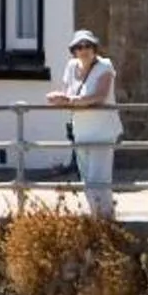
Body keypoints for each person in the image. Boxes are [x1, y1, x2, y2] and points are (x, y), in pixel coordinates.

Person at [45, 31, 121, 220]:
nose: (84, 50)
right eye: (79, 47)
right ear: (74, 51)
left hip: (102, 130)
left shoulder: (105, 66)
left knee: (99, 178)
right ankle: (98, 218)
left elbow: (100, 96)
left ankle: (105, 219)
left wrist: (71, 100)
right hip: (82, 131)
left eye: (88, 46)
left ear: (94, 48)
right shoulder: (71, 67)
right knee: (87, 179)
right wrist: (59, 98)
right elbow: (67, 92)